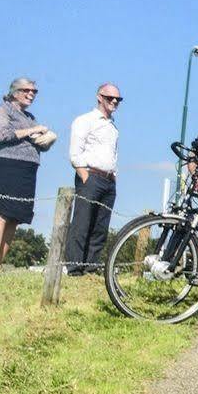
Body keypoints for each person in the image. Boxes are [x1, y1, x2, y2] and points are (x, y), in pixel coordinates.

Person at [0, 77, 55, 271]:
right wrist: (33, 130)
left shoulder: (29, 117)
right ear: (14, 92)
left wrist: (47, 139)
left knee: (15, 217)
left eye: (34, 92)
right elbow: (0, 134)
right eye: (27, 90)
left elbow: (34, 143)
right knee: (2, 212)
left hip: (28, 167)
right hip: (8, 165)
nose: (31, 94)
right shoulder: (2, 110)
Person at [65, 83, 122, 274]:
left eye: (118, 99)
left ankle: (90, 267)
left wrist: (113, 177)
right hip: (90, 176)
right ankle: (74, 268)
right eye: (110, 98)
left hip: (108, 180)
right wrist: (84, 176)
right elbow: (75, 152)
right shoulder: (85, 120)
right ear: (99, 97)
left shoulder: (112, 127)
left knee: (100, 227)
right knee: (82, 223)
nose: (114, 101)